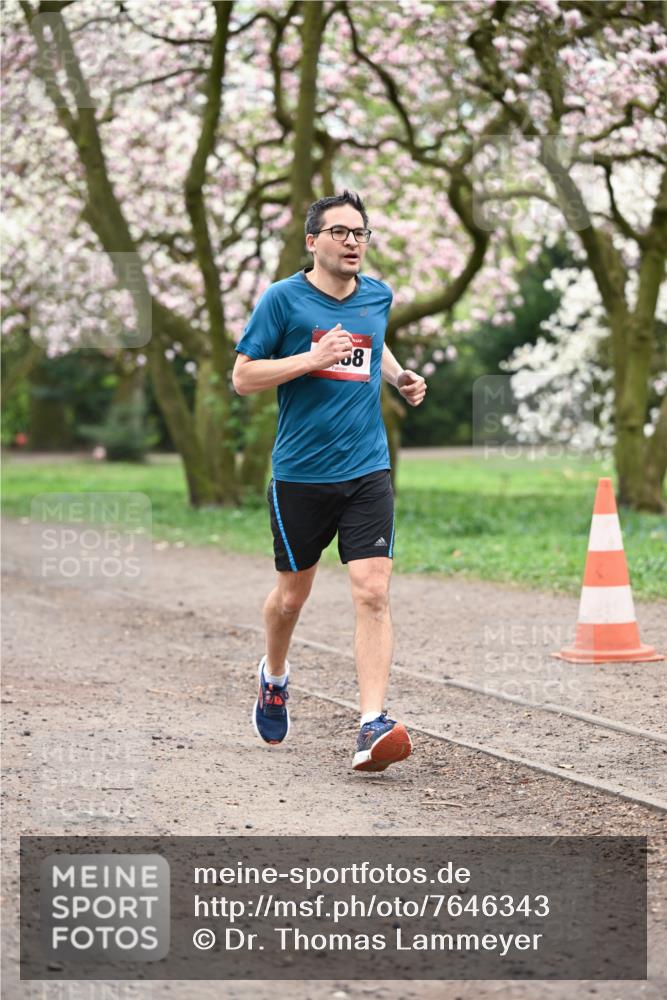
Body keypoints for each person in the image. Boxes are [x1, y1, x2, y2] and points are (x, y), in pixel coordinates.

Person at [232, 190, 427, 772]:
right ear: (313, 242)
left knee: (373, 589)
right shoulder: (282, 300)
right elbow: (243, 376)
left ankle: (371, 723)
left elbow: (373, 339)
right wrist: (310, 361)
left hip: (367, 468)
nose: (352, 242)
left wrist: (397, 377)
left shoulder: (378, 296)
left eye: (360, 233)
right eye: (340, 232)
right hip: (300, 474)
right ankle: (274, 675)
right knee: (292, 598)